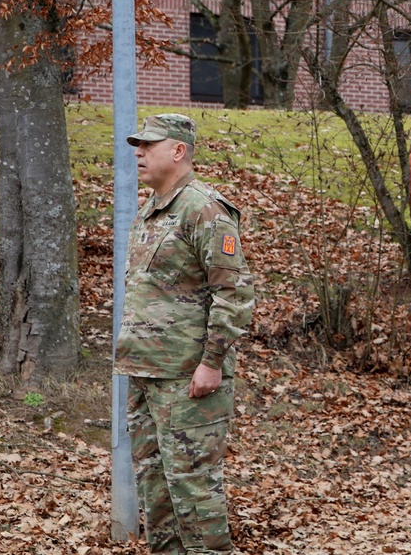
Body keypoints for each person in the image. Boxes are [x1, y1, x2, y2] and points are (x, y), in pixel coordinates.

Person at [117, 113, 255, 554]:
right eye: (137, 145)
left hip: (188, 378)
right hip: (147, 372)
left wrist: (211, 362)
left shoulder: (204, 208)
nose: (138, 152)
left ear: (178, 150)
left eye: (149, 144)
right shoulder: (152, 209)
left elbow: (233, 293)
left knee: (194, 493)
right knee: (156, 491)